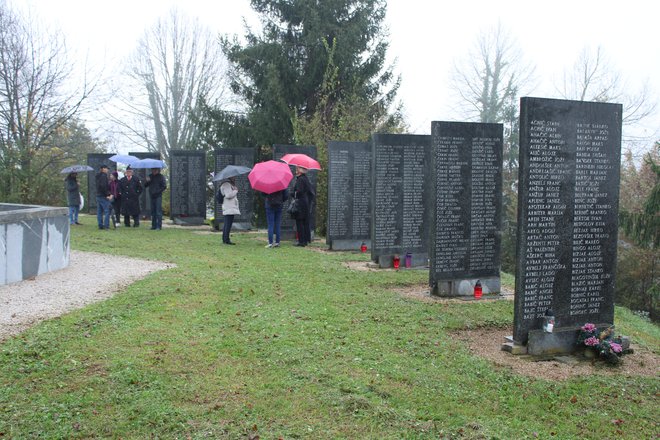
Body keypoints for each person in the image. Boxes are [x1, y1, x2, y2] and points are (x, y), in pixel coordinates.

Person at [292, 166, 314, 246]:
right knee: (305, 222)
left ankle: (301, 241)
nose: (296, 170)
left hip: (300, 203)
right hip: (305, 203)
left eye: (297, 169)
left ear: (300, 171)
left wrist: (293, 193)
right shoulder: (305, 178)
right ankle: (305, 240)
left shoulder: (300, 179)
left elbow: (299, 191)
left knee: (300, 222)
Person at [220, 177, 240, 245]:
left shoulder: (229, 184)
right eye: (233, 176)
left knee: (227, 224)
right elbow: (228, 195)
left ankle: (225, 239)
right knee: (227, 224)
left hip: (230, 207)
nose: (235, 178)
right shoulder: (226, 184)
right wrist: (235, 191)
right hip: (229, 207)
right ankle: (226, 240)